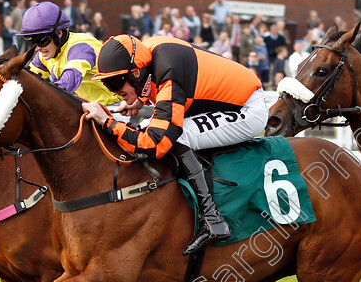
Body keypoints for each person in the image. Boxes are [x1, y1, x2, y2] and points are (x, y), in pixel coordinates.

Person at [84, 34, 268, 254]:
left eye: (115, 82)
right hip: (223, 99)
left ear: (135, 73)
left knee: (176, 137)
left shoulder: (168, 70)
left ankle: (213, 219)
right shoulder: (149, 54)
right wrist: (140, 100)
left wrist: (107, 122)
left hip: (247, 109)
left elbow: (155, 143)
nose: (114, 92)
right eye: (107, 84)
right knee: (146, 127)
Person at [16, 1, 119, 107]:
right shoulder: (47, 51)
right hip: (89, 107)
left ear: (59, 34)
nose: (38, 48)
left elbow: (65, 86)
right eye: (33, 42)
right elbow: (28, 81)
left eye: (41, 41)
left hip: (114, 107)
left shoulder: (80, 47)